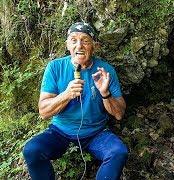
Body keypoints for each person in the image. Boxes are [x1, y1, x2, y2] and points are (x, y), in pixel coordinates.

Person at [23, 22, 128, 180]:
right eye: (73, 40)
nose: (79, 46)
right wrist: (66, 95)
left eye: (85, 41)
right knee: (32, 150)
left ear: (94, 46)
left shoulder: (105, 71)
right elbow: (43, 112)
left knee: (118, 152)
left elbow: (119, 114)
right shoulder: (55, 67)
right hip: (61, 131)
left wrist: (105, 93)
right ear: (67, 45)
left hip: (95, 132)